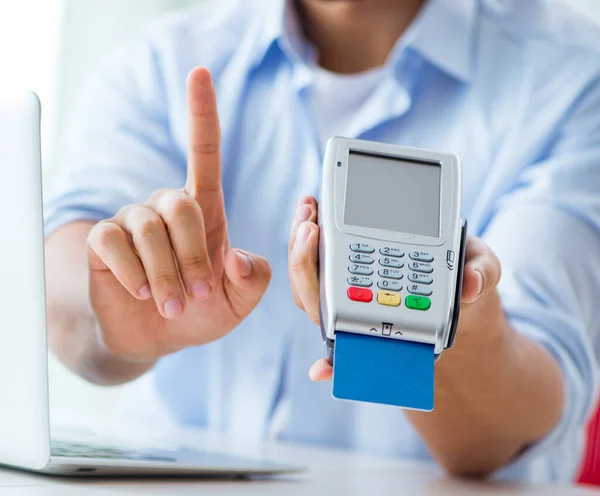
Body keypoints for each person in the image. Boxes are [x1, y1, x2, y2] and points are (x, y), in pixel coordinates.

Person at [43, 0, 600, 483]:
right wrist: (114, 318)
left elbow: (510, 432)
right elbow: (65, 266)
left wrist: (450, 328)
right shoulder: (161, 60)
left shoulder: (575, 79)